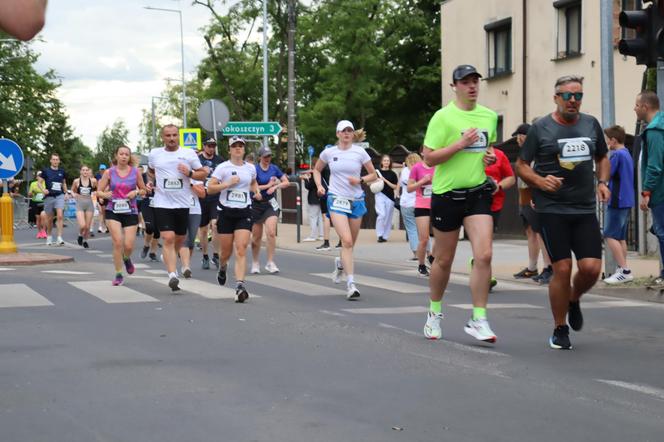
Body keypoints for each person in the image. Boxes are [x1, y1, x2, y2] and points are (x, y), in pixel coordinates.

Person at [516, 75, 610, 350]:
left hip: (583, 208)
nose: (573, 101)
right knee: (562, 268)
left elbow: (602, 156)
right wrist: (539, 181)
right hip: (551, 209)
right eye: (567, 96)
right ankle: (560, 327)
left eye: (578, 95)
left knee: (592, 269)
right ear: (556, 97)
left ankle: (574, 297)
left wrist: (602, 183)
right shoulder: (540, 128)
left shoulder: (590, 124)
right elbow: (521, 165)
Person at [421, 64, 499, 343]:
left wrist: (488, 158)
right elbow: (428, 158)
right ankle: (434, 312)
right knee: (444, 259)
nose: (472, 86)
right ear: (454, 86)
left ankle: (479, 318)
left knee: (485, 254)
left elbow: (487, 150)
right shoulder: (443, 118)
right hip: (447, 194)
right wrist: (460, 144)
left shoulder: (489, 116)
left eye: (475, 81)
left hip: (477, 192)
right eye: (465, 82)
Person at [313, 120, 378, 300]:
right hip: (336, 199)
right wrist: (319, 186)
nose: (347, 133)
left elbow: (374, 173)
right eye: (343, 131)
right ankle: (351, 284)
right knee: (347, 241)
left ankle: (340, 263)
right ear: (338, 134)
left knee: (351, 244)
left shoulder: (360, 152)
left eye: (349, 130)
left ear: (352, 134)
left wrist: (361, 181)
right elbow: (316, 170)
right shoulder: (329, 152)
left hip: (356, 200)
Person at [147, 124, 207, 292]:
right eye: (168, 135)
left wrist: (190, 174)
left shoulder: (188, 153)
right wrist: (152, 181)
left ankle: (170, 257)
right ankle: (172, 275)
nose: (171, 138)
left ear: (179, 137)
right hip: (162, 202)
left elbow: (202, 173)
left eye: (174, 135)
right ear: (163, 137)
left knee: (180, 239)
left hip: (182, 203)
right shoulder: (155, 154)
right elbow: (151, 170)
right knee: (168, 237)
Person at [207, 136, 262, 303]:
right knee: (226, 252)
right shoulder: (222, 168)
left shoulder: (251, 168)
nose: (238, 149)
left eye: (241, 146)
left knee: (241, 248)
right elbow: (210, 189)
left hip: (244, 212)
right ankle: (223, 267)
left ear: (244, 150)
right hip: (226, 213)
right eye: (235, 146)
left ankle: (240, 285)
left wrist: (256, 191)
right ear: (229, 150)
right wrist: (227, 184)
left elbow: (252, 182)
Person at [97, 146, 147, 286]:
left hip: (130, 210)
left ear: (129, 157)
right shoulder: (109, 172)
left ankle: (126, 258)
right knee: (118, 242)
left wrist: (136, 193)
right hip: (113, 210)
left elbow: (143, 190)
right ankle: (118, 273)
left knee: (129, 245)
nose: (124, 156)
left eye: (126, 154)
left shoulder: (135, 172)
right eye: (121, 154)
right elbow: (98, 191)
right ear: (117, 156)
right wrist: (105, 194)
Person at [635, 91, 664, 285]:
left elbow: (655, 165)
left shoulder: (654, 130)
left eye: (636, 105)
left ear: (645, 107)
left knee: (662, 233)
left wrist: (646, 191)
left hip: (661, 192)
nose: (634, 108)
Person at [602, 125, 635, 284]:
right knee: (620, 237)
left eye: (607, 140)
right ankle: (622, 268)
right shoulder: (627, 153)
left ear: (613, 140)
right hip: (627, 200)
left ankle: (624, 270)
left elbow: (607, 173)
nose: (607, 142)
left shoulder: (616, 155)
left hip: (617, 200)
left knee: (609, 235)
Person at [250, 146, 290, 274]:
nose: (267, 159)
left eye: (269, 156)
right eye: (265, 156)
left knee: (271, 232)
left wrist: (276, 187)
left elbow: (286, 182)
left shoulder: (274, 168)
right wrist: (267, 186)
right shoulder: (254, 169)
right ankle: (255, 262)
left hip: (270, 204)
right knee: (256, 237)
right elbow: (252, 186)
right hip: (256, 204)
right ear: (260, 157)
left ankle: (270, 262)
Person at [197, 137, 224, 270]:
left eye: (213, 145)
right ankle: (205, 256)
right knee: (203, 229)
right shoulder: (197, 159)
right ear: (204, 146)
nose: (211, 148)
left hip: (215, 197)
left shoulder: (220, 160)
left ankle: (216, 255)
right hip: (202, 197)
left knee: (215, 225)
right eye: (209, 145)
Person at [407, 155, 435, 276]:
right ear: (423, 152)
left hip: (437, 204)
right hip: (422, 206)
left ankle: (432, 257)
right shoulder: (416, 168)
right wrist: (422, 181)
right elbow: (409, 188)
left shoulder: (439, 166)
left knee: (441, 238)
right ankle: (421, 265)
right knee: (424, 239)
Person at [39, 153, 68, 246]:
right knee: (50, 219)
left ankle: (59, 237)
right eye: (54, 159)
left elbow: (64, 183)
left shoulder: (62, 171)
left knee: (60, 216)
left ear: (59, 161)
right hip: (49, 197)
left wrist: (66, 193)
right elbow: (39, 182)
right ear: (51, 160)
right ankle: (49, 236)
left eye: (57, 159)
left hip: (59, 196)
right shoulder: (46, 171)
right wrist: (43, 190)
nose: (55, 161)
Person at [180, 178, 206, 278]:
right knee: (184, 239)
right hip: (180, 209)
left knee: (191, 242)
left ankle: (186, 264)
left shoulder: (196, 176)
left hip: (194, 211)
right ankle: (186, 267)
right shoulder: (175, 174)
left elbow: (202, 194)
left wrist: (191, 185)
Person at [398, 153, 419, 261]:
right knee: (423, 230)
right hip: (420, 202)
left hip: (406, 203)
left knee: (411, 228)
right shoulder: (422, 170)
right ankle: (428, 253)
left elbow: (400, 185)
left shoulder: (405, 171)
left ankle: (416, 254)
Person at [71, 165, 97, 248]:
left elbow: (97, 189)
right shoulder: (76, 181)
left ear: (88, 172)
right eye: (83, 170)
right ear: (81, 172)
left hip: (89, 204)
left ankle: (85, 241)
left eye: (86, 170)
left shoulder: (93, 181)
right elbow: (72, 190)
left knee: (88, 226)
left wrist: (97, 194)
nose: (85, 172)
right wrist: (73, 194)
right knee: (83, 225)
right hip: (80, 204)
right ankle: (80, 235)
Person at [374, 155, 398, 242]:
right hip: (379, 195)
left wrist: (385, 180)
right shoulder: (376, 172)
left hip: (390, 197)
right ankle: (379, 235)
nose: (386, 162)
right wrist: (376, 181)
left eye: (388, 161)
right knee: (382, 215)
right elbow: (369, 183)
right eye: (384, 160)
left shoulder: (393, 174)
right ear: (381, 162)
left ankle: (385, 236)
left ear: (390, 162)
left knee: (388, 217)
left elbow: (395, 187)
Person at [139, 169, 160, 262]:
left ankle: (153, 253)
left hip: (160, 203)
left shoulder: (161, 175)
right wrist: (142, 191)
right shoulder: (142, 176)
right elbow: (136, 187)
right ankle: (146, 245)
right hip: (147, 203)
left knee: (157, 230)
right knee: (150, 227)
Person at [301, 164, 324, 242]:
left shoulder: (315, 175)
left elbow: (308, 186)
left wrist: (305, 179)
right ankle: (321, 235)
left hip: (313, 199)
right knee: (320, 217)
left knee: (313, 217)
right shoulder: (321, 174)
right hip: (320, 198)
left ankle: (312, 236)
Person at [28, 172, 46, 237]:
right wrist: (31, 193)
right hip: (35, 202)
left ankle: (44, 230)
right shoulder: (33, 184)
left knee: (43, 216)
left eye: (42, 175)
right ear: (37, 177)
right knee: (38, 218)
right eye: (39, 175)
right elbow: (29, 193)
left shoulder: (46, 183)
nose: (41, 177)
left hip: (44, 202)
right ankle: (39, 232)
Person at [94, 164, 108, 234]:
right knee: (100, 211)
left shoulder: (108, 175)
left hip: (107, 195)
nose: (102, 170)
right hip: (100, 195)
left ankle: (105, 225)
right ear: (99, 169)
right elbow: (97, 187)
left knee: (105, 211)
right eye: (101, 169)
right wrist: (100, 197)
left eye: (103, 169)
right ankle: (100, 226)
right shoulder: (97, 176)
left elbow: (109, 186)